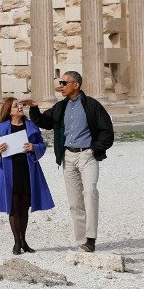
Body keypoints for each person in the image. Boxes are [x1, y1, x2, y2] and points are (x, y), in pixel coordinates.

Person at [28, 71, 114, 253]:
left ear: (76, 85)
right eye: (60, 82)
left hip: (87, 156)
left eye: (64, 82)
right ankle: (82, 241)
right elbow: (46, 122)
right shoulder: (60, 107)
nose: (61, 86)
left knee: (90, 193)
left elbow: (107, 130)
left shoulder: (92, 105)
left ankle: (91, 238)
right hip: (68, 157)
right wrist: (34, 109)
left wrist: (94, 149)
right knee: (74, 202)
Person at [0, 97, 54, 254]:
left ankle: (24, 240)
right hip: (9, 172)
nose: (20, 107)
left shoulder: (30, 125)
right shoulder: (2, 127)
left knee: (24, 208)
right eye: (15, 106)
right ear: (9, 111)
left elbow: (41, 145)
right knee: (13, 207)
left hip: (27, 170)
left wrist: (33, 147)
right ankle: (16, 242)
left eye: (19, 105)